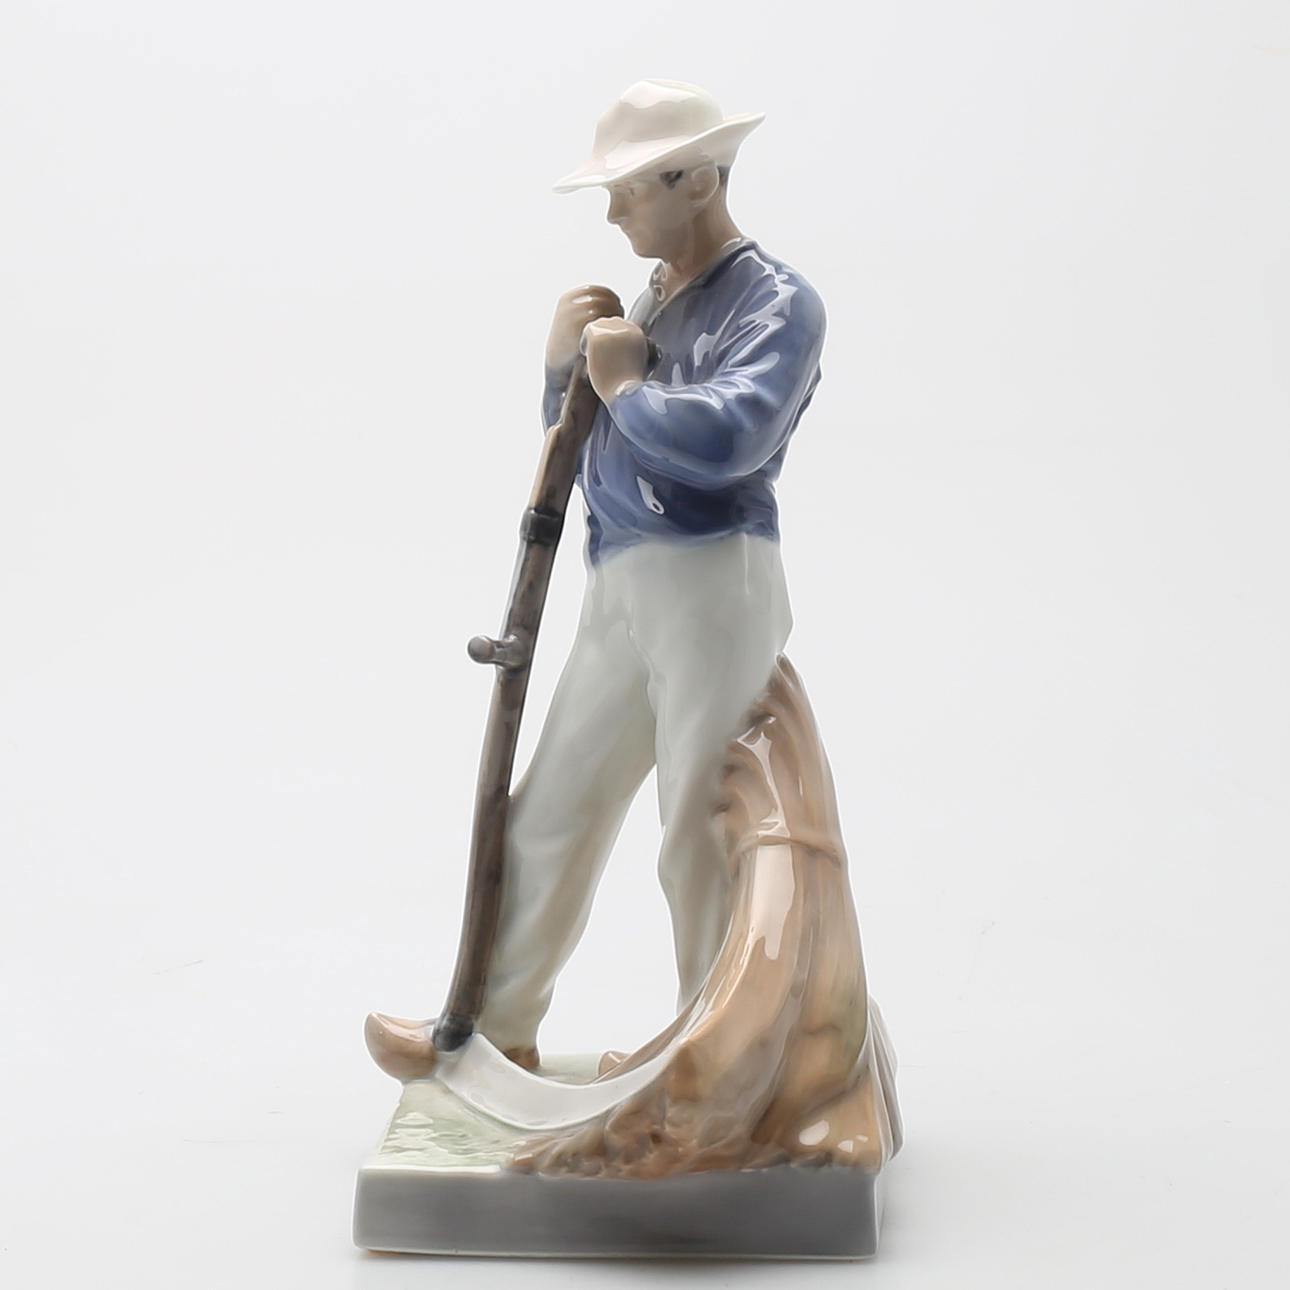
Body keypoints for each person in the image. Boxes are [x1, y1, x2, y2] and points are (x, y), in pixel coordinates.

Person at [367, 79, 826, 1077]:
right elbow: (581, 454)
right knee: (552, 808)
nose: (612, 212)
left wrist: (622, 383)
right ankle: (492, 1032)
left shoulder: (776, 302)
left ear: (696, 179)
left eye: (628, 188)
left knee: (701, 826)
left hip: (713, 582)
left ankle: (711, 1061)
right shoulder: (655, 298)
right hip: (621, 579)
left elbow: (731, 439)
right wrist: (560, 377)